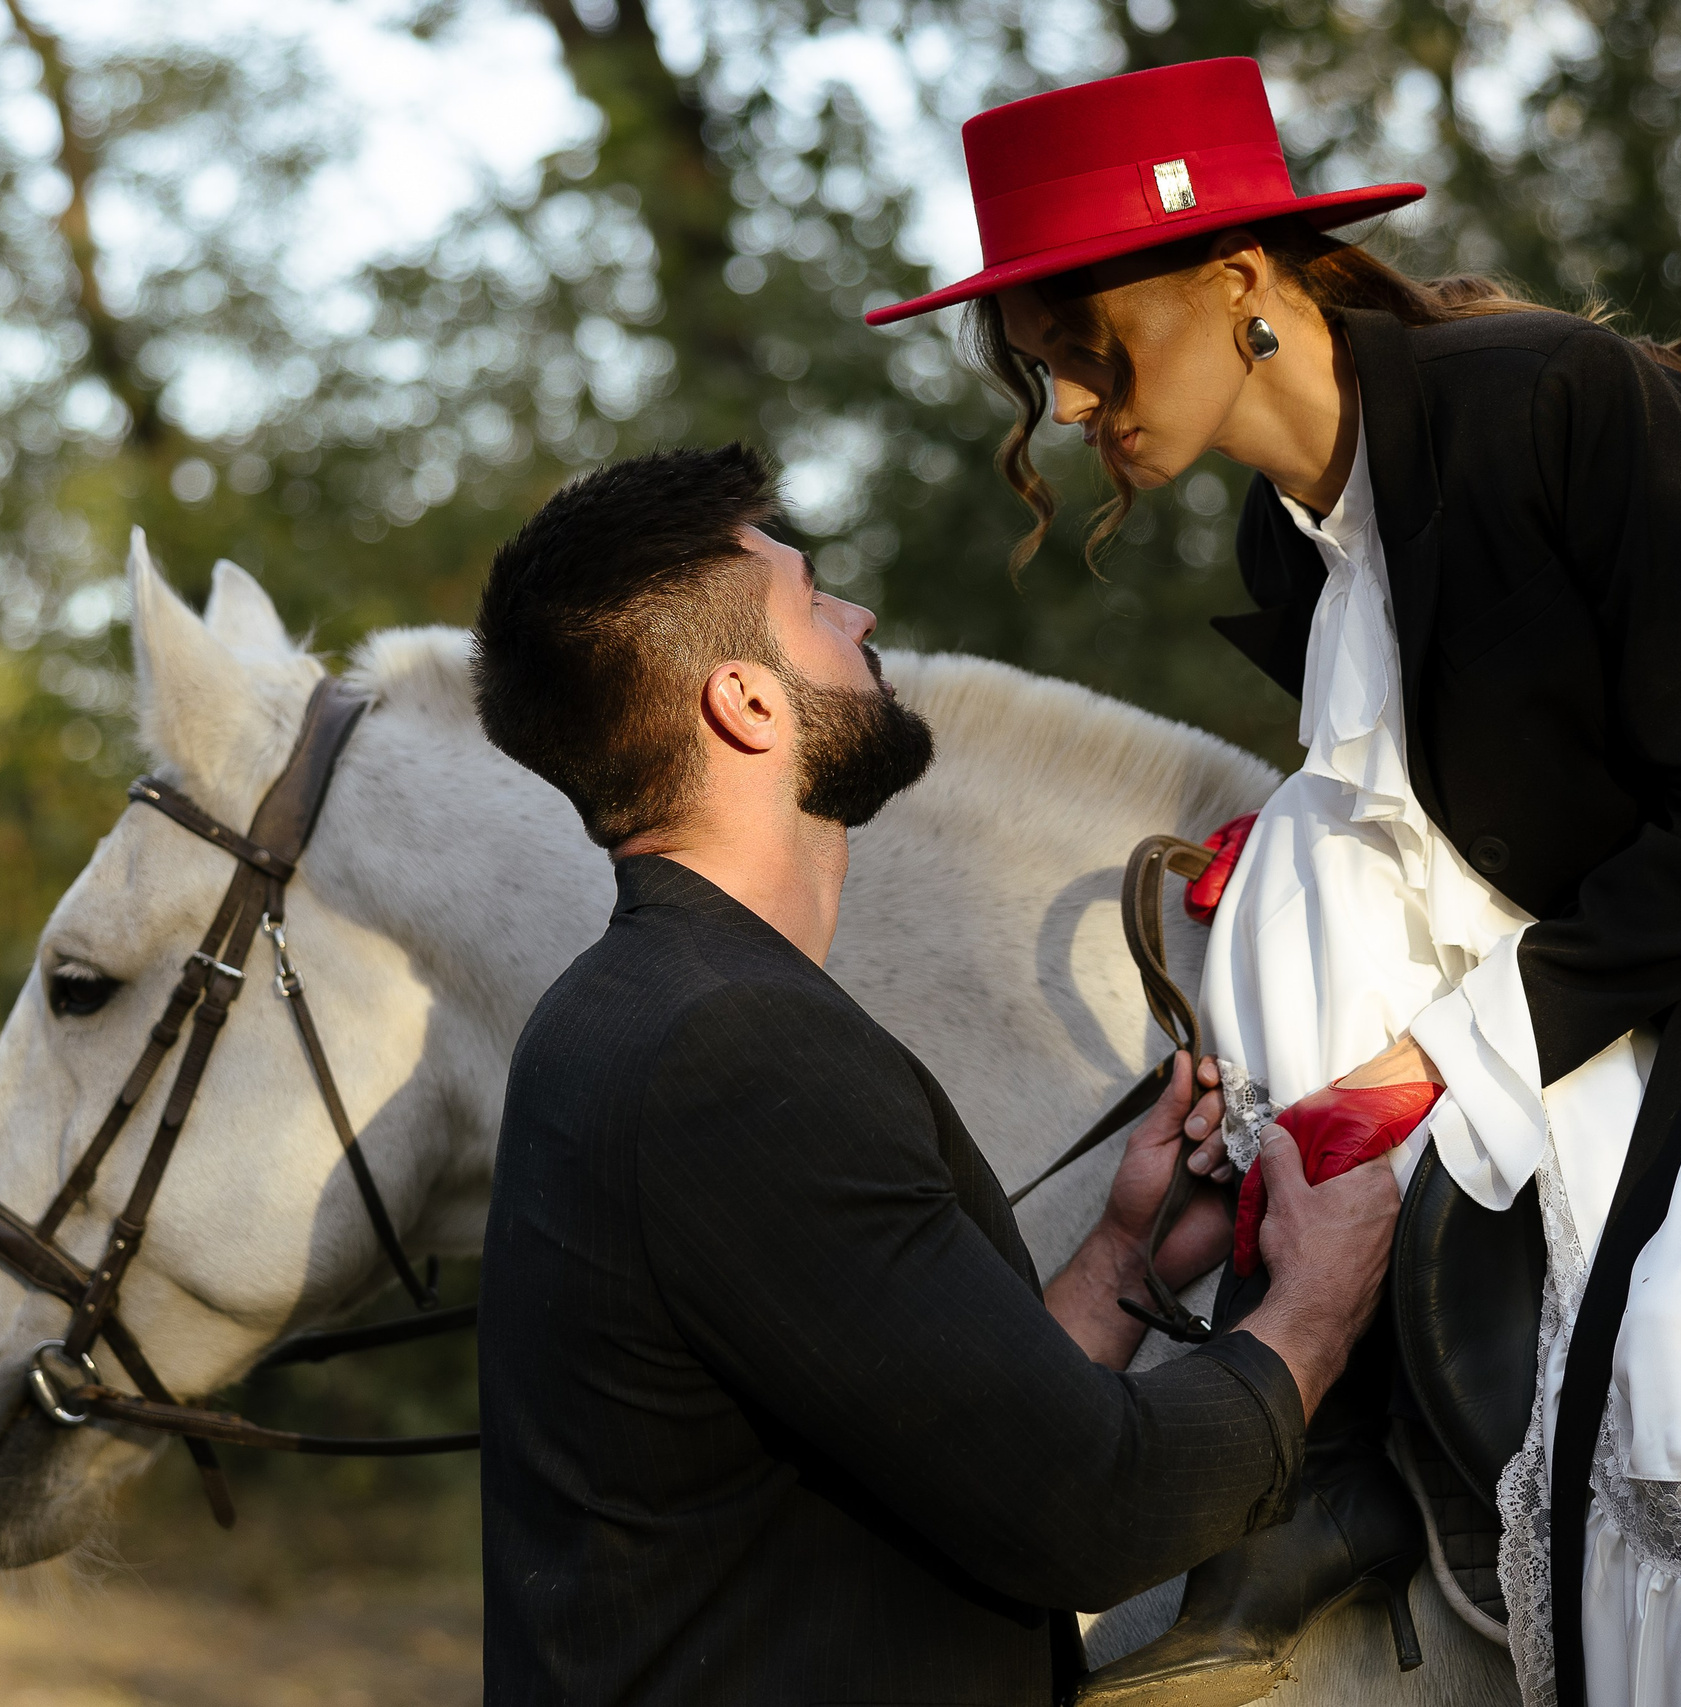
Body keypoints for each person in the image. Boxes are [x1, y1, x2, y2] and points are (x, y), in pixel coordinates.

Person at [867, 56, 1681, 1707]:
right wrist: (1288, 1139)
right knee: (1296, 860)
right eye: (1038, 364)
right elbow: (1456, 856)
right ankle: (1330, 1453)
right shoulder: (1293, 547)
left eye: (1085, 339)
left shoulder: (1551, 398)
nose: (1068, 404)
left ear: (1240, 274)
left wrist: (1440, 1063)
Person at [466, 442, 1404, 1707]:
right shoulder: (735, 1050)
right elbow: (1091, 1507)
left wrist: (1120, 1261)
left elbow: (936, 1434)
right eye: (813, 602)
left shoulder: (627, 1009)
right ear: (746, 705)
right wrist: (1319, 1306)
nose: (859, 618)